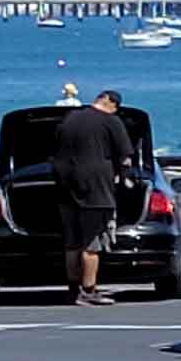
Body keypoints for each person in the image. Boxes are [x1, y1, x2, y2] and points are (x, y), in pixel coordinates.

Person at [53, 89, 133, 305]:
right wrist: (124, 178)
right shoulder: (111, 121)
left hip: (65, 186)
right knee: (91, 244)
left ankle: (72, 288)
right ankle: (88, 291)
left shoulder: (69, 119)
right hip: (96, 188)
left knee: (71, 243)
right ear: (110, 102)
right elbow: (125, 157)